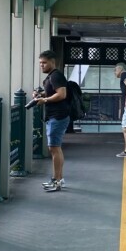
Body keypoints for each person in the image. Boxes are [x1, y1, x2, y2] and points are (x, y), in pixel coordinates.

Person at [35, 50, 70, 192]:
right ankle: (58, 179)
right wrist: (41, 94)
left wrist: (45, 100)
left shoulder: (56, 76)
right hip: (55, 116)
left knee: (54, 148)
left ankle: (56, 180)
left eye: (44, 63)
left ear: (52, 62)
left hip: (58, 116)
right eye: (40, 63)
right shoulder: (52, 76)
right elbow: (52, 92)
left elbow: (62, 94)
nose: (41, 65)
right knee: (55, 148)